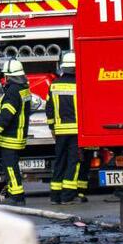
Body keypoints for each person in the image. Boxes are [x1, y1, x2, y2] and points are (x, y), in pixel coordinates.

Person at [0, 57, 31, 205]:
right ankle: (14, 193)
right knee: (12, 166)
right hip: (18, 134)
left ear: (8, 76)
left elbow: (7, 114)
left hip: (10, 136)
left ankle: (17, 196)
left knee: (10, 167)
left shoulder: (13, 91)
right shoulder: (23, 89)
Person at [46, 51, 82, 204]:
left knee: (59, 161)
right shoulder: (80, 84)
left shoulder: (54, 85)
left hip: (60, 131)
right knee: (73, 161)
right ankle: (67, 196)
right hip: (76, 130)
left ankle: (55, 196)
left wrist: (52, 127)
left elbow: (49, 108)